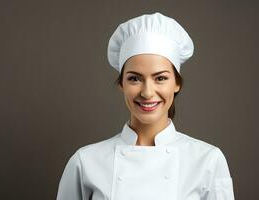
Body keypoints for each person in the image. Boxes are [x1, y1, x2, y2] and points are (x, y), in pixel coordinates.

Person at [56, 12, 235, 200]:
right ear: (121, 84)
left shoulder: (208, 161)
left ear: (177, 83)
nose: (147, 92)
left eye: (160, 78)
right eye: (134, 78)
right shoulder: (86, 162)